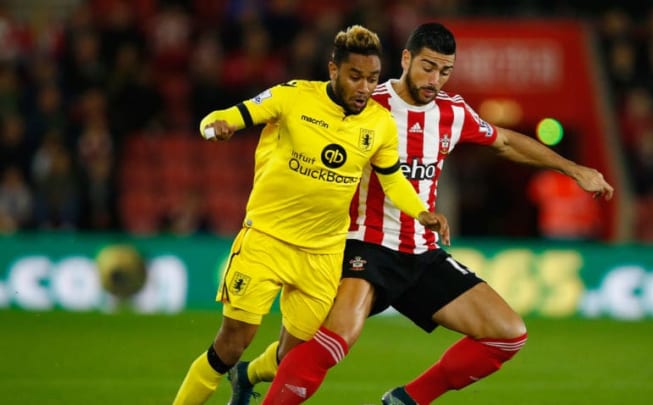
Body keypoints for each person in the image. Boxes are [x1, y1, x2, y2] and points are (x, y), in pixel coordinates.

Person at [227, 22, 615, 405]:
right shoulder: (366, 103)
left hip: (421, 252)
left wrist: (574, 169)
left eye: (445, 71)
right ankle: (253, 377)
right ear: (406, 58)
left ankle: (405, 400)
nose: (436, 79)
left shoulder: (452, 111)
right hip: (363, 244)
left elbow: (506, 141)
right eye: (428, 67)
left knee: (508, 333)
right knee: (333, 340)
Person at [171, 24, 449, 405]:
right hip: (267, 240)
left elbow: (393, 180)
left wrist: (422, 212)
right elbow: (230, 114)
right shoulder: (293, 97)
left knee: (294, 357)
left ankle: (246, 377)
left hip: (322, 255)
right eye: (355, 77)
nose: (365, 88)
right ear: (333, 70)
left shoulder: (378, 123)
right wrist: (215, 126)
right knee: (231, 344)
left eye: (372, 78)